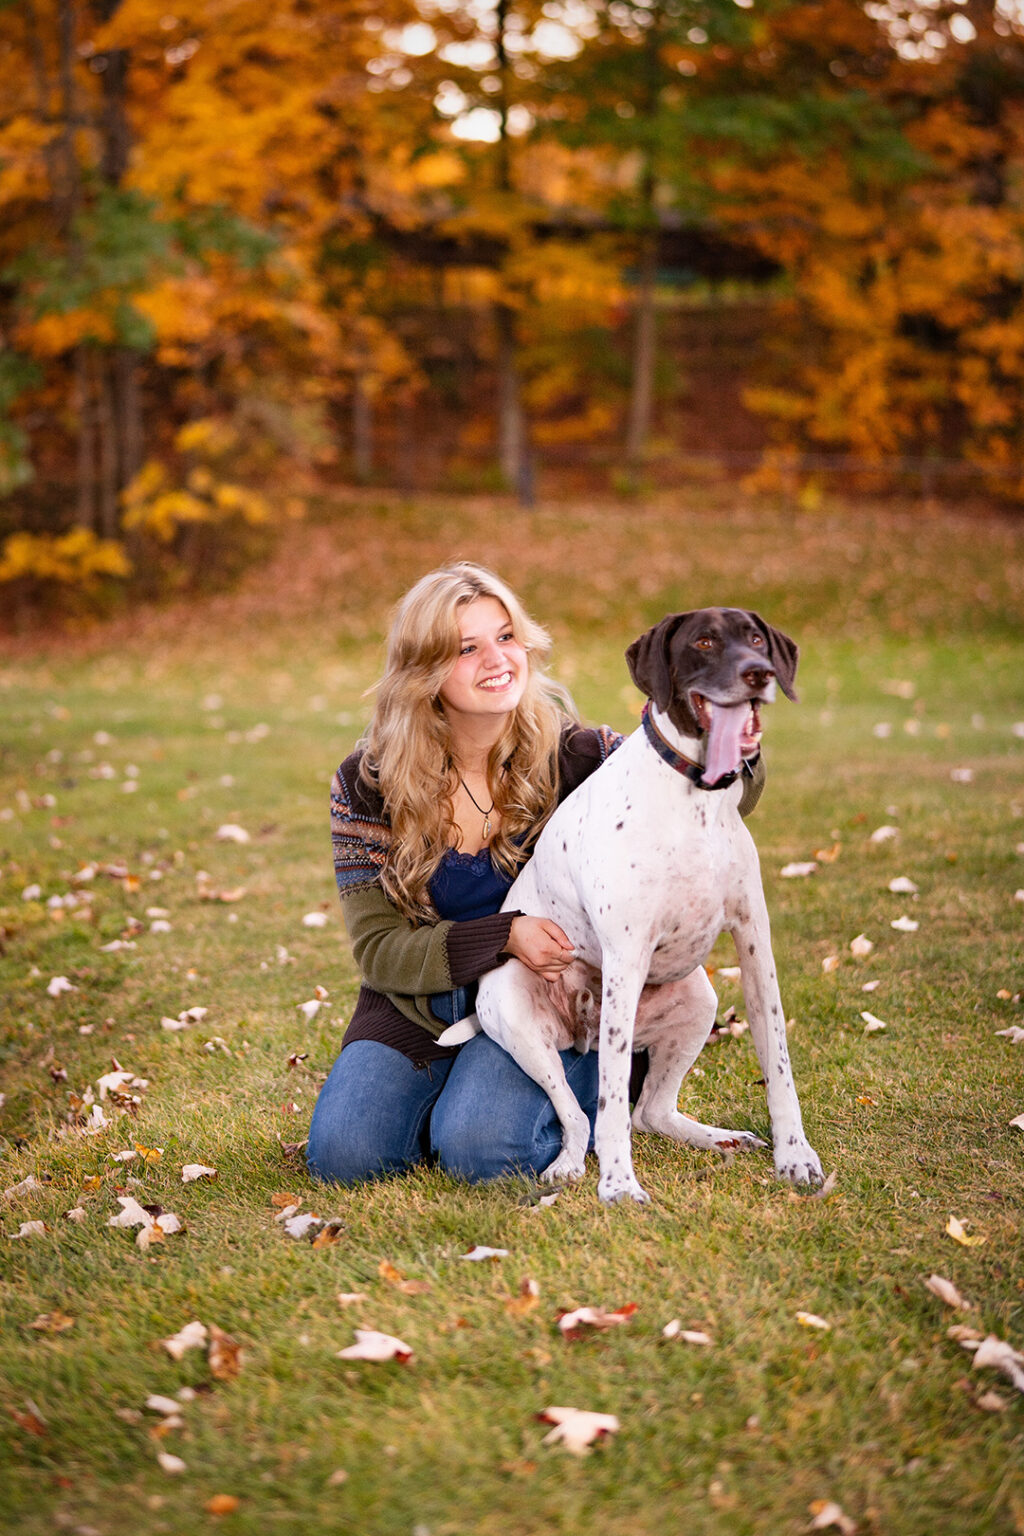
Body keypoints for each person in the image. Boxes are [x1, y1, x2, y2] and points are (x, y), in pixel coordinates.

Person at [306, 561, 624, 1186]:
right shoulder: (368, 783)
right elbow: (378, 951)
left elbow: (692, 787)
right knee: (345, 1159)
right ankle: (451, 1098)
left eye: (506, 637)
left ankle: (595, 1082)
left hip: (549, 1001)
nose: (496, 660)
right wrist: (503, 934)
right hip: (420, 1007)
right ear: (424, 671)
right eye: (466, 648)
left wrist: (721, 745)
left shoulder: (576, 757)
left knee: (484, 1155)